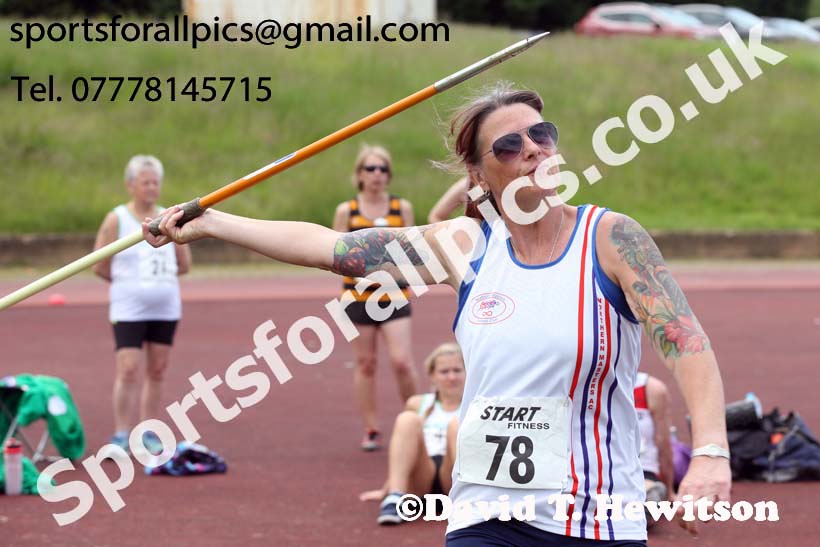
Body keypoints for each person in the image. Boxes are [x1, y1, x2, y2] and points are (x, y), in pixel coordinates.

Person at [143, 82, 731, 546]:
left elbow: (687, 344)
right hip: (485, 510)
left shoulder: (611, 238)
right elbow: (331, 248)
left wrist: (709, 453)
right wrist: (214, 223)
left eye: (541, 135)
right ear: (478, 175)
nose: (532, 150)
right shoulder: (463, 246)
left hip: (595, 518)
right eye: (509, 146)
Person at [93, 155, 191, 455]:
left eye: (155, 182)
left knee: (158, 369)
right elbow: (99, 264)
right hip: (128, 307)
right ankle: (121, 434)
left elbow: (183, 264)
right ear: (130, 185)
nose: (151, 188)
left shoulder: (170, 217)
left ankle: (147, 432)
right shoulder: (117, 219)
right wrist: (127, 284)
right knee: (128, 369)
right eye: (145, 182)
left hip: (165, 306)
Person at [332, 145, 418, 451]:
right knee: (366, 364)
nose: (377, 174)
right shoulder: (347, 210)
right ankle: (371, 428)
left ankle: (418, 421)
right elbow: (333, 253)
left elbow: (412, 250)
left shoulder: (401, 207)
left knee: (402, 362)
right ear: (359, 175)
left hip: (394, 296)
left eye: (382, 168)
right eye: (370, 168)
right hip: (357, 299)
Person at [358, 342, 465, 525]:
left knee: (456, 425)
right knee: (407, 419)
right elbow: (403, 448)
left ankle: (469, 500)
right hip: (422, 474)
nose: (451, 377)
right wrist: (387, 486)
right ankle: (395, 497)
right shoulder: (418, 403)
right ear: (432, 376)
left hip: (454, 477)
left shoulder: (476, 405)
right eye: (444, 372)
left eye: (457, 370)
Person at [633, 372, 674, 528]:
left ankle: (649, 495)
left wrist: (669, 490)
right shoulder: (587, 383)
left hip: (642, 467)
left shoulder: (652, 389)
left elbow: (663, 443)